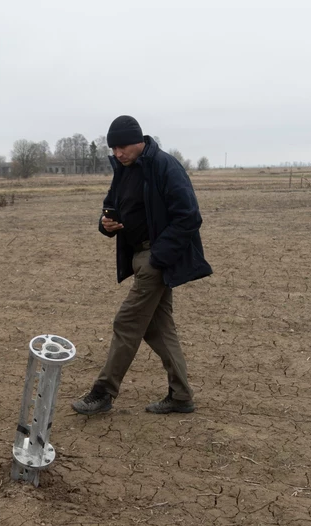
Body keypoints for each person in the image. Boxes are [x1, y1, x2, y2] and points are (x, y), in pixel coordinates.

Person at [72, 115, 211, 416]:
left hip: (155, 260)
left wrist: (158, 258)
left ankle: (103, 392)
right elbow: (112, 205)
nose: (117, 154)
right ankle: (181, 396)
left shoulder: (165, 166)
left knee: (127, 322)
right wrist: (105, 223)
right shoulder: (123, 171)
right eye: (113, 149)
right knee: (159, 329)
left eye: (121, 147)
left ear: (139, 140)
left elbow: (189, 217)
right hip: (140, 257)